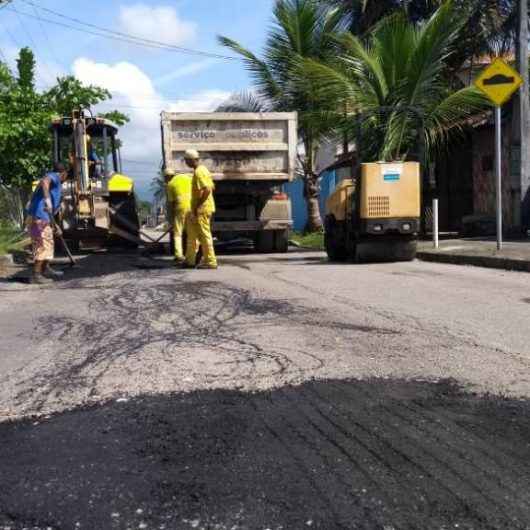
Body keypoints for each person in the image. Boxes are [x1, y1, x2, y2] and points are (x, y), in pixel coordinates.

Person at [26, 163, 69, 284]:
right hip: (39, 217)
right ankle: (36, 275)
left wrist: (55, 225)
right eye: (66, 175)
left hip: (39, 217)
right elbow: (45, 182)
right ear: (63, 173)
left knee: (47, 243)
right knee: (42, 245)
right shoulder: (54, 176)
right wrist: (47, 200)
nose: (66, 178)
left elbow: (40, 185)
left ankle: (45, 269)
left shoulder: (55, 181)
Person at [183, 149, 218, 269]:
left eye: (186, 161)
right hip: (197, 210)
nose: (186, 163)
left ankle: (211, 261)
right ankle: (190, 260)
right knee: (191, 235)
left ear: (191, 160)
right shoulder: (202, 170)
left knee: (204, 236)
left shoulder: (199, 172)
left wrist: (198, 205)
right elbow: (212, 186)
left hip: (202, 209)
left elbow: (208, 189)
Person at [166, 168, 192, 264]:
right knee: (191, 233)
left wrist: (172, 217)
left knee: (177, 233)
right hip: (192, 207)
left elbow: (171, 203)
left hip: (180, 209)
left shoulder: (170, 184)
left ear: (168, 176)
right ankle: (191, 255)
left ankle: (179, 255)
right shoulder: (187, 178)